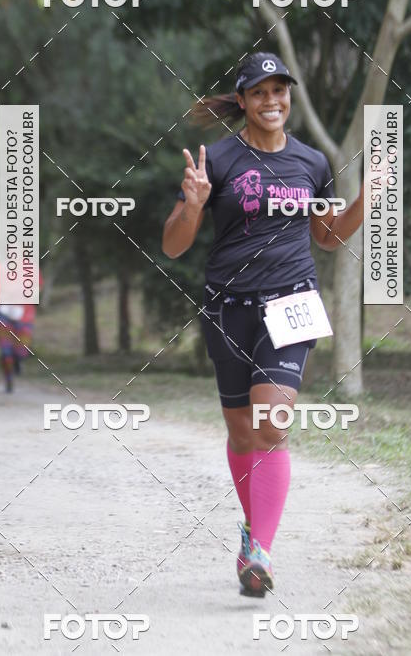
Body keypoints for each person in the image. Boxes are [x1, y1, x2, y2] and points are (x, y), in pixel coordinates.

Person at [162, 52, 364, 596]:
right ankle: (253, 530)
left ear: (288, 97)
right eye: (259, 92)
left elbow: (326, 236)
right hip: (227, 305)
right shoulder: (219, 160)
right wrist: (193, 205)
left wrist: (368, 200)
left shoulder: (313, 163)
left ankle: (260, 552)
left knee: (271, 426)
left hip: (291, 302)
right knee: (240, 432)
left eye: (280, 90)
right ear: (245, 102)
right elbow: (173, 244)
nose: (272, 100)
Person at [0, 262, 42, 393]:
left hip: (25, 315)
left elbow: (38, 288)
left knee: (22, 350)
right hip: (3, 314)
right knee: (5, 351)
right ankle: (8, 378)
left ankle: (18, 360)